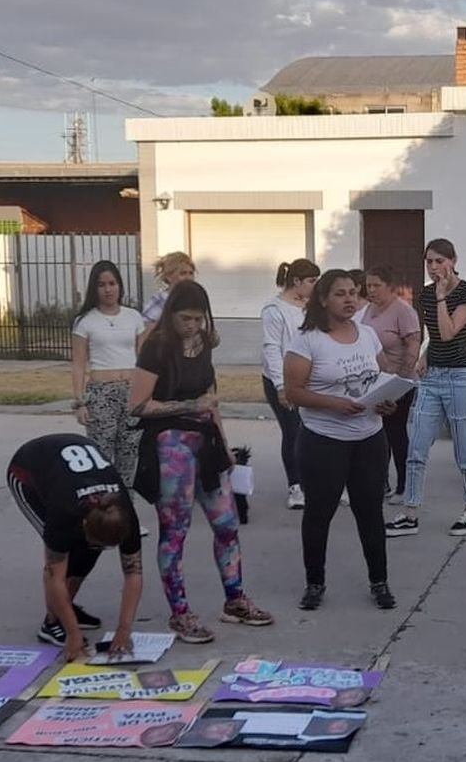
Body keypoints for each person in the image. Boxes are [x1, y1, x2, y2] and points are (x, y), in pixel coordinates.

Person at [130, 279, 273, 643]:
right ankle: (180, 613)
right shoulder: (156, 348)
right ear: (171, 315)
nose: (192, 325)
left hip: (206, 442)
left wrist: (224, 443)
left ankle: (234, 599)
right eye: (185, 319)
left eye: (198, 319)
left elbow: (211, 396)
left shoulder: (204, 343)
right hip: (170, 444)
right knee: (175, 531)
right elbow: (137, 405)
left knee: (227, 523)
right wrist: (188, 407)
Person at [284, 270, 398, 612]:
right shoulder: (308, 340)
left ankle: (379, 581)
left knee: (370, 513)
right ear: (322, 299)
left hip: (369, 439)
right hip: (324, 441)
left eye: (354, 292)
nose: (350, 299)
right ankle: (314, 583)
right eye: (340, 294)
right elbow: (293, 392)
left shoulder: (367, 335)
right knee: (319, 514)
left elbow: (382, 376)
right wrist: (337, 404)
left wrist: (387, 401)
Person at [5, 432, 143, 659]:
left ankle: (65, 608)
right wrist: (73, 634)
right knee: (61, 557)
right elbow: (55, 575)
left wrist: (124, 630)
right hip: (27, 469)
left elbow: (134, 573)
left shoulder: (125, 514)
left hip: (72, 472)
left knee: (88, 552)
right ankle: (51, 623)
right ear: (84, 522)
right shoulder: (63, 513)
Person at [386, 239, 466, 538]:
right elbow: (435, 336)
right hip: (433, 378)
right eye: (429, 262)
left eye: (439, 261)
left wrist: (442, 297)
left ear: (453, 261)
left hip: (460, 376)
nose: (433, 268)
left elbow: (451, 331)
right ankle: (410, 511)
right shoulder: (427, 293)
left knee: (464, 450)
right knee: (416, 447)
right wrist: (425, 356)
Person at [71, 259, 147, 483]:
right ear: (94, 288)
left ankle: (125, 506)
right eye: (102, 284)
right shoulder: (85, 321)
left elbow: (143, 359)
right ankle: (103, 506)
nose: (108, 289)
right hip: (101, 394)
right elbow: (78, 364)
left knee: (129, 453)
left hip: (131, 393)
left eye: (112, 283)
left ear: (120, 286)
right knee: (101, 454)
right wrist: (79, 402)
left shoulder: (133, 317)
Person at [260, 258, 320, 510]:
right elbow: (272, 349)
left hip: (309, 378)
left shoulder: (310, 307)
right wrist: (280, 386)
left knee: (315, 432)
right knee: (293, 432)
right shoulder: (274, 310)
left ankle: (316, 482)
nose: (315, 286)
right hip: (284, 379)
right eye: (311, 281)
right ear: (296, 281)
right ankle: (295, 487)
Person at [364, 266, 421, 504]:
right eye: (368, 286)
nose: (371, 290)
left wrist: (403, 378)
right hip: (375, 382)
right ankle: (381, 482)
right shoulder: (369, 309)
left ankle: (405, 486)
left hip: (398, 382)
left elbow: (413, 343)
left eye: (376, 285)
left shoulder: (403, 310)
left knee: (396, 434)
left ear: (389, 286)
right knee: (378, 434)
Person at [141, 251, 196, 324]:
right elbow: (146, 327)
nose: (188, 278)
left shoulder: (195, 298)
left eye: (191, 273)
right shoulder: (161, 300)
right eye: (183, 273)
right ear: (169, 277)